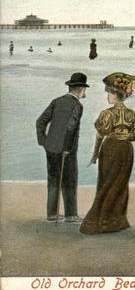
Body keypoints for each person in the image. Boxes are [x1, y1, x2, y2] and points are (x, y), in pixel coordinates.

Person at [80, 72, 135, 234]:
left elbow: (100, 135)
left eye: (109, 92)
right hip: (127, 150)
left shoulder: (107, 114)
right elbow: (134, 134)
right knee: (120, 184)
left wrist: (95, 154)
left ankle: (100, 221)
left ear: (117, 95)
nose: (107, 95)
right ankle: (118, 221)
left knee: (106, 182)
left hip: (111, 148)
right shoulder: (132, 114)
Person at [36, 72, 88, 223]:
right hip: (67, 150)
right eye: (84, 89)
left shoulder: (56, 101)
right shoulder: (78, 105)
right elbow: (71, 128)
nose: (85, 92)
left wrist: (44, 142)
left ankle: (51, 214)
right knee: (69, 181)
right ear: (80, 89)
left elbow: (40, 122)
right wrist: (66, 148)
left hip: (51, 148)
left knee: (53, 181)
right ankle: (70, 215)